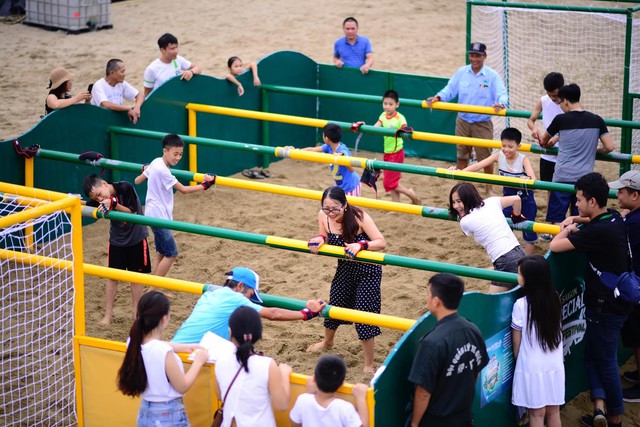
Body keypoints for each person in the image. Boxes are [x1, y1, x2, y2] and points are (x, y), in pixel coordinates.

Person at [549, 172, 633, 427]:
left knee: (605, 362)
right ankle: (599, 408)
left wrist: (569, 229)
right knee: (593, 355)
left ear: (592, 201)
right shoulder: (614, 218)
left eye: (579, 200)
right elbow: (590, 220)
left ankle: (615, 418)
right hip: (616, 301)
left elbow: (554, 246)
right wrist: (576, 219)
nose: (576, 204)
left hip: (605, 307)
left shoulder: (595, 232)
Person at [306, 186, 386, 373]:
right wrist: (319, 239)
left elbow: (381, 242)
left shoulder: (359, 216)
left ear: (345, 205)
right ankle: (327, 342)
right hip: (344, 268)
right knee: (335, 305)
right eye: (327, 209)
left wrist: (361, 244)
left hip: (368, 270)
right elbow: (324, 235)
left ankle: (368, 363)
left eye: (335, 208)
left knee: (364, 314)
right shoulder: (323, 216)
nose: (331, 213)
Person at [116, 291, 210, 427]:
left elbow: (153, 345)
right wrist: (199, 361)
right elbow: (182, 386)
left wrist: (185, 347)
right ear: (164, 319)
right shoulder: (164, 352)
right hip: (168, 415)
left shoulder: (133, 342)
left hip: (145, 412)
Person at [408, 273, 489, 427]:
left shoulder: (432, 342)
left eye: (428, 294)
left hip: (437, 420)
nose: (427, 298)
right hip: (464, 416)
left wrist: (414, 423)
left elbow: (423, 393)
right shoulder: (473, 329)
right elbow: (477, 370)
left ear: (436, 301)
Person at [426, 42, 508, 193]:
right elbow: (449, 89)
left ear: (484, 57)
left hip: (482, 122)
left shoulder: (492, 76)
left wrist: (501, 103)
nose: (474, 58)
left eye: (478, 55)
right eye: (472, 55)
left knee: (486, 158)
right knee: (461, 155)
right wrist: (438, 97)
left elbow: (502, 93)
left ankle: (489, 188)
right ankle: (460, 186)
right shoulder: (462, 72)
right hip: (462, 120)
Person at [134, 133, 215, 283]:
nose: (177, 158)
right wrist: (205, 185)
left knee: (160, 252)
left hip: (153, 213)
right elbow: (183, 190)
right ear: (165, 151)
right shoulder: (163, 170)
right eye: (175, 154)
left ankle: (154, 285)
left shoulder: (156, 162)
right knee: (171, 253)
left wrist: (146, 169)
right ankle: (154, 289)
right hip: (158, 216)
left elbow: (137, 180)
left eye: (181, 154)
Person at [172, 266, 326, 344]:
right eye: (250, 293)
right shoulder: (235, 298)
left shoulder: (209, 294)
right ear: (239, 286)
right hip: (193, 354)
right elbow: (272, 314)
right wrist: (306, 313)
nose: (249, 298)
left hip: (175, 346)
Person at [540, 84, 614, 224]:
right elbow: (610, 146)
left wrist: (557, 138)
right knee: (580, 219)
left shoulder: (560, 119)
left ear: (566, 101)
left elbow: (544, 141)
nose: (560, 106)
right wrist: (593, 151)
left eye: (560, 102)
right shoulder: (596, 120)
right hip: (584, 179)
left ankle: (558, 245)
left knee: (557, 221)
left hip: (562, 176)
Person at [82, 174, 150, 325]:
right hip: (117, 241)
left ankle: (136, 315)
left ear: (105, 183)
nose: (99, 199)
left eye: (99, 195)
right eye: (96, 198)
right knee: (112, 277)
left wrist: (114, 204)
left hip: (136, 239)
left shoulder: (125, 187)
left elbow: (133, 214)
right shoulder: (99, 200)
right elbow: (87, 205)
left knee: (136, 278)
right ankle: (108, 315)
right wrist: (75, 200)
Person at [460, 127, 538, 255]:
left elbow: (534, 180)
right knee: (504, 228)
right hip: (507, 199)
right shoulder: (498, 156)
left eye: (510, 147)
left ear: (518, 146)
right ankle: (507, 256)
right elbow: (479, 165)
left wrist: (527, 179)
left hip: (525, 199)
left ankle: (526, 262)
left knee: (529, 232)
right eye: (504, 146)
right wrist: (461, 172)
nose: (506, 149)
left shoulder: (523, 159)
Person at [214, 306, 291, 427]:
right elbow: (282, 405)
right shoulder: (267, 365)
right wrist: (284, 375)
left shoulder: (220, 361)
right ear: (259, 334)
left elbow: (220, 395)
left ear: (230, 332)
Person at [511, 255, 564, 427]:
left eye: (519, 274)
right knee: (554, 410)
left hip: (532, 367)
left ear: (529, 280)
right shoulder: (554, 298)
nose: (517, 277)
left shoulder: (520, 305)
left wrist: (518, 359)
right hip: (554, 364)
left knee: (536, 413)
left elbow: (516, 341)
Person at [448, 182, 526, 293]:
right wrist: (516, 216)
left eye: (459, 201)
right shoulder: (492, 201)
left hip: (504, 260)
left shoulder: (465, 221)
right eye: (453, 202)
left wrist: (461, 214)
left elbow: (466, 231)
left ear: (468, 198)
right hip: (519, 252)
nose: (455, 206)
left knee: (492, 300)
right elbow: (516, 199)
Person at [608, 170, 640, 403]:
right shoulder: (633, 218)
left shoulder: (633, 223)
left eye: (622, 191)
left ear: (635, 195)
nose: (617, 194)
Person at [527, 72, 564, 238]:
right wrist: (534, 129)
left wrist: (557, 137)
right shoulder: (543, 100)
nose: (553, 98)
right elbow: (531, 120)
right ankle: (551, 227)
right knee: (550, 190)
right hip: (547, 154)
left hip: (565, 154)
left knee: (566, 192)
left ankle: (565, 226)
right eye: (550, 95)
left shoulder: (568, 102)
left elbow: (575, 124)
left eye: (555, 95)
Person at [289, 354, 369, 427]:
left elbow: (295, 424)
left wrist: (309, 394)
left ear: (314, 379)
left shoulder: (303, 400)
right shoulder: (344, 408)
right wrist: (361, 399)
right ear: (342, 384)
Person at [371, 89, 420, 204]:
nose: (387, 107)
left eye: (390, 104)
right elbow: (376, 126)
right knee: (392, 181)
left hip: (396, 153)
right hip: (387, 152)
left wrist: (404, 129)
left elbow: (405, 127)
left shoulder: (400, 118)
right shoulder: (383, 115)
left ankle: (410, 193)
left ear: (397, 105)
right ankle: (396, 204)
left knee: (388, 183)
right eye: (385, 104)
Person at [300, 123, 362, 196]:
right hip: (339, 186)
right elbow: (312, 149)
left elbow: (352, 169)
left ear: (326, 139)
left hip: (351, 187)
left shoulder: (342, 150)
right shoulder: (328, 147)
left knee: (351, 207)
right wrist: (297, 151)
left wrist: (341, 157)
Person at [143, 33, 201, 97]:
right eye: (172, 48)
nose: (176, 51)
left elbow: (198, 68)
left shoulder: (178, 59)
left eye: (176, 47)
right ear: (163, 50)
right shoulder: (151, 69)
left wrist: (191, 72)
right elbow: (147, 94)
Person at [91, 58, 144, 124]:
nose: (124, 74)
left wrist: (137, 107)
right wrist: (128, 109)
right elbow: (106, 105)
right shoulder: (98, 85)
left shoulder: (121, 83)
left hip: (114, 120)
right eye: (122, 72)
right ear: (112, 73)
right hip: (99, 122)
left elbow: (140, 95)